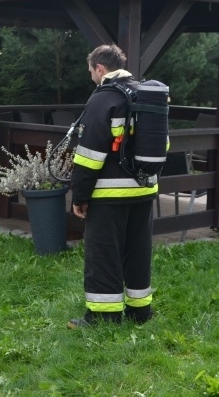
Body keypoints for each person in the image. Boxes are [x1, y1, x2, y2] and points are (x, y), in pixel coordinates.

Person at [68, 44, 159, 328]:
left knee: (104, 253)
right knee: (138, 250)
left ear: (100, 68)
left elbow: (89, 154)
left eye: (91, 72)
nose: (92, 78)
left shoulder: (104, 98)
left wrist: (79, 195)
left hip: (109, 193)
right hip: (144, 190)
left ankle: (103, 316)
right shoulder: (146, 93)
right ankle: (139, 310)